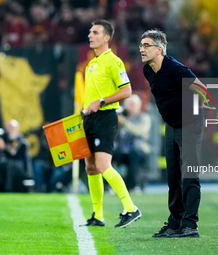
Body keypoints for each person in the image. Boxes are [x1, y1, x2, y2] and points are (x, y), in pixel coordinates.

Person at [140, 29, 215, 238]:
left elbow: (202, 90)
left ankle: (190, 225)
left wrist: (196, 107)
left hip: (190, 124)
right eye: (141, 45)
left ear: (160, 49)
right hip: (172, 126)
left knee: (188, 175)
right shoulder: (148, 70)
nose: (142, 49)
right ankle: (175, 224)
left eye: (147, 45)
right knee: (173, 176)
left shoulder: (175, 68)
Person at [81, 19, 141, 228]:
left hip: (105, 118)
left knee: (102, 165)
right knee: (90, 168)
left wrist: (102, 101)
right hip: (89, 119)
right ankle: (98, 216)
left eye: (95, 32)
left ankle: (131, 208)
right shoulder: (91, 64)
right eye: (90, 32)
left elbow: (127, 91)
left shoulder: (113, 61)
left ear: (107, 37)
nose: (90, 35)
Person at [113, 94, 151, 193]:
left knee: (134, 154)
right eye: (128, 104)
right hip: (121, 149)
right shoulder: (120, 117)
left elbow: (139, 131)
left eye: (133, 104)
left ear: (139, 105)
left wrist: (125, 122)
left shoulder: (144, 117)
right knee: (108, 153)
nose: (131, 106)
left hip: (138, 149)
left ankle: (134, 186)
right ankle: (109, 186)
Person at [0, 119, 33, 192]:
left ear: (17, 130)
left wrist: (4, 148)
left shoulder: (21, 141)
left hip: (20, 168)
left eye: (11, 128)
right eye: (7, 128)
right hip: (4, 167)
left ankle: (8, 190)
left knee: (10, 165)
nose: (8, 131)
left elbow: (13, 155)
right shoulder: (3, 138)